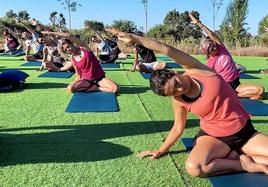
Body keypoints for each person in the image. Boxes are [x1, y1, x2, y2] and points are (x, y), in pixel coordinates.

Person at [106, 28, 268, 177]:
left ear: (174, 72)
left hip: (244, 132)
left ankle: (237, 154)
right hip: (214, 137)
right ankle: (241, 164)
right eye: (174, 92)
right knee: (194, 167)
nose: (180, 90)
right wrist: (161, 150)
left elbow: (164, 48)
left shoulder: (197, 69)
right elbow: (178, 128)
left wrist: (135, 38)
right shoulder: (179, 101)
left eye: (176, 84)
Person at [188, 13, 264, 100]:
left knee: (259, 92)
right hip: (225, 87)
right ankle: (230, 96)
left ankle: (234, 97)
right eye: (211, 48)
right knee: (257, 96)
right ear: (208, 53)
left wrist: (198, 23)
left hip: (236, 84)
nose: (214, 47)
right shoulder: (210, 63)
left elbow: (212, 34)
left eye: (213, 44)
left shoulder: (222, 49)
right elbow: (206, 79)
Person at [41, 31, 119, 93]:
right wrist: (74, 84)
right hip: (86, 80)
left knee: (115, 89)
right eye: (65, 50)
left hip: (99, 78)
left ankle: (95, 88)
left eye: (68, 46)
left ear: (72, 44)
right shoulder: (73, 59)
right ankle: (89, 87)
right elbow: (78, 74)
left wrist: (51, 33)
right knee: (70, 89)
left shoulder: (84, 48)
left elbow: (68, 35)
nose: (68, 49)